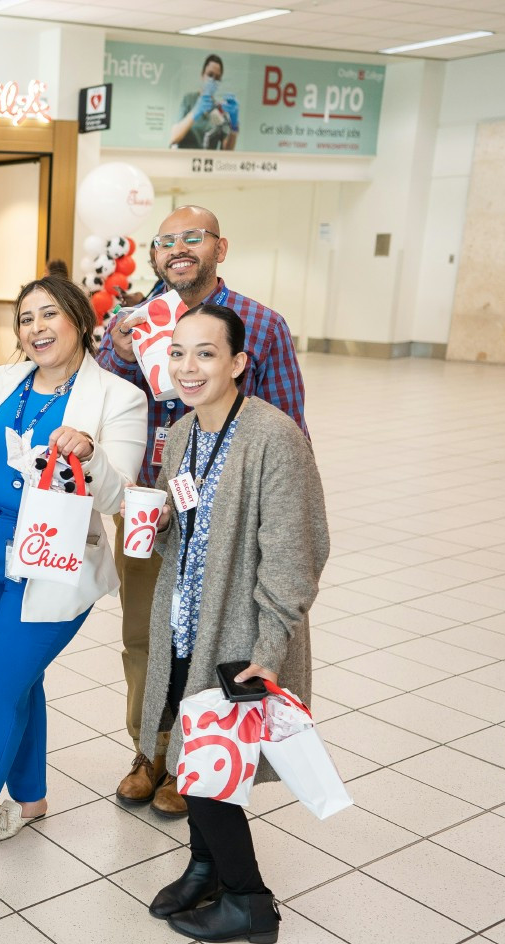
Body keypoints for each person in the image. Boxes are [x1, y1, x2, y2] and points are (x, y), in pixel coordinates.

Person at [0, 275, 144, 876]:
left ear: (79, 321)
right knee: (19, 680)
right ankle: (32, 797)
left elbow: (121, 498)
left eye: (50, 315)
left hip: (56, 564)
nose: (36, 328)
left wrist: (91, 454)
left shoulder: (117, 398)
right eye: (25, 318)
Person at [99, 205, 307, 818]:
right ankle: (150, 750)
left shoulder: (261, 326)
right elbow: (110, 404)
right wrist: (114, 353)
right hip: (150, 507)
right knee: (144, 635)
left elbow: (292, 428)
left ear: (220, 247)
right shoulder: (131, 324)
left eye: (193, 238)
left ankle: (196, 758)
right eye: (165, 242)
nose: (177, 249)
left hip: (226, 516)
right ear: (154, 255)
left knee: (208, 637)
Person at [139, 304, 328, 944]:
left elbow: (296, 555)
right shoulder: (186, 433)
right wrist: (157, 525)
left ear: (239, 363)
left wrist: (270, 648)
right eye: (178, 353)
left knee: (210, 759)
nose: (188, 368)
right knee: (195, 758)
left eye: (206, 354)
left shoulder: (274, 438)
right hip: (188, 620)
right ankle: (204, 867)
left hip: (240, 630)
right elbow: (185, 532)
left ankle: (250, 900)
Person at [170, 54, 239, 151]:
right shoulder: (189, 100)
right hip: (186, 162)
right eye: (210, 75)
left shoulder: (219, 110)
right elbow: (174, 138)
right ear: (202, 75)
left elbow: (227, 150)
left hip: (208, 164)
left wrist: (234, 127)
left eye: (217, 78)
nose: (213, 80)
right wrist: (195, 112)